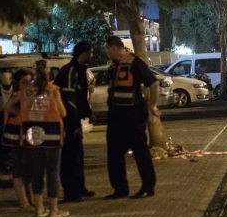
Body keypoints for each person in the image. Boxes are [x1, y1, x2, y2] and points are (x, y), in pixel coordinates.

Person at [6, 61, 69, 217]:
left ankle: (39, 208)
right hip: (52, 135)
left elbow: (8, 105)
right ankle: (54, 209)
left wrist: (22, 115)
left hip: (33, 136)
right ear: (48, 74)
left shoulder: (25, 91)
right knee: (53, 172)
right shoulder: (53, 90)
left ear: (33, 75)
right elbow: (62, 113)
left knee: (37, 172)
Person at [104, 36, 158, 199]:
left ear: (113, 48)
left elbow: (153, 82)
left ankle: (148, 186)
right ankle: (120, 188)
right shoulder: (114, 66)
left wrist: (153, 105)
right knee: (114, 153)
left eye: (107, 49)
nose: (107, 53)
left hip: (133, 114)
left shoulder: (134, 62)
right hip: (116, 115)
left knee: (140, 151)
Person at [55, 42, 96, 202]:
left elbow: (81, 98)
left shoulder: (80, 71)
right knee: (68, 158)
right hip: (66, 122)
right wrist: (75, 124)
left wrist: (88, 113)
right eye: (91, 53)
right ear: (83, 53)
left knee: (78, 156)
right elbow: (69, 101)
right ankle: (70, 193)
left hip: (74, 120)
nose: (92, 56)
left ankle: (80, 188)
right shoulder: (70, 71)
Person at [2, 68, 33, 211]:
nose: (27, 84)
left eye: (29, 81)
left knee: (29, 170)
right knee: (19, 171)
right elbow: (7, 106)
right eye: (24, 82)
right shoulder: (16, 95)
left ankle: (31, 201)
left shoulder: (28, 95)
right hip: (17, 138)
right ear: (17, 83)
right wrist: (19, 113)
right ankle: (24, 203)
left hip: (28, 137)